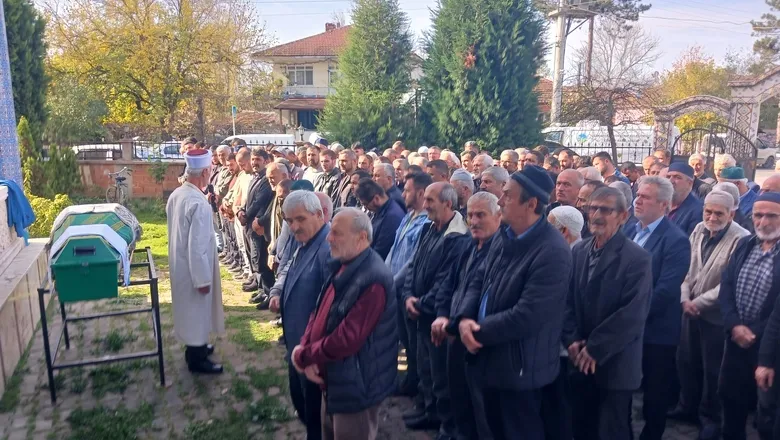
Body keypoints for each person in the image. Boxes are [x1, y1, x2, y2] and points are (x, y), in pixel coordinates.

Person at [452, 165, 570, 440]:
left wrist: (475, 330)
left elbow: (528, 314)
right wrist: (465, 317)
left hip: (521, 369)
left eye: (507, 195)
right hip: (489, 357)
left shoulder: (552, 250)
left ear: (531, 203)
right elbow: (479, 279)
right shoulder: (504, 234)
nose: (500, 201)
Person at [291, 208, 396, 440]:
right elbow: (319, 310)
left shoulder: (373, 279)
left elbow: (347, 339)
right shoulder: (343, 264)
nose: (329, 238)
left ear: (361, 237)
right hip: (334, 379)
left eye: (337, 233)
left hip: (356, 387)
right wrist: (306, 345)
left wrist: (305, 356)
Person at [564, 187, 653, 440]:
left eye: (605, 210)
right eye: (592, 208)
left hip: (615, 364)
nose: (596, 215)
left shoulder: (637, 258)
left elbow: (632, 314)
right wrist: (571, 339)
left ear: (623, 216)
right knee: (581, 428)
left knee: (612, 430)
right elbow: (567, 301)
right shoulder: (579, 251)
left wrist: (594, 348)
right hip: (579, 360)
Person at [669, 190, 749, 439]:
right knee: (686, 361)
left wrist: (698, 303)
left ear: (731, 214)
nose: (712, 218)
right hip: (689, 309)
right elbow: (687, 267)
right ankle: (687, 407)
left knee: (713, 369)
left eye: (719, 213)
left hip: (715, 316)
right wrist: (684, 297)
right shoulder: (698, 229)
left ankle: (710, 418)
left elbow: (730, 282)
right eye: (708, 211)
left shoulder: (741, 238)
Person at [401, 182, 470, 437]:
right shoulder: (428, 228)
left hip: (437, 315)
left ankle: (446, 425)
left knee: (441, 375)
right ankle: (429, 412)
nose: (425, 205)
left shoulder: (458, 238)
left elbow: (445, 280)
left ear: (448, 204)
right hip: (420, 311)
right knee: (425, 368)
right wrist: (408, 295)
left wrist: (420, 303)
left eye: (430, 200)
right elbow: (413, 265)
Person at [629, 176, 691, 440]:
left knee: (655, 392)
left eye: (645, 197)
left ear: (664, 204)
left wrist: (631, 315)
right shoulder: (630, 230)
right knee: (625, 385)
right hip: (627, 326)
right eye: (637, 195)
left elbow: (666, 290)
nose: (637, 200)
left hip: (656, 330)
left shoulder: (675, 239)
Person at [719, 192, 780, 439]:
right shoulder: (746, 244)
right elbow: (726, 285)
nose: (763, 222)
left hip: (768, 346)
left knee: (767, 411)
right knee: (730, 398)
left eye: (771, 216)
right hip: (736, 340)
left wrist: (753, 331)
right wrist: (734, 325)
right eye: (758, 215)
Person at [270, 191, 331, 440]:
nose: (294, 227)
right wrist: (277, 291)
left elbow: (329, 308)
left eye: (300, 219)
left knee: (316, 415)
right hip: (297, 344)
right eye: (289, 220)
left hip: (314, 351)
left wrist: (315, 352)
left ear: (319, 215)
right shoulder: (305, 241)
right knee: (304, 404)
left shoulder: (328, 248)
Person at [444, 192, 502, 440]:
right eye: (470, 215)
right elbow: (450, 283)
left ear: (498, 217)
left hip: (478, 337)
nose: (474, 221)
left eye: (481, 215)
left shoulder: (500, 250)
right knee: (458, 395)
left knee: (480, 407)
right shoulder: (468, 244)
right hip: (455, 330)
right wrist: (443, 316)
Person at [167, 148, 226, 374]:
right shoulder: (197, 203)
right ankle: (196, 358)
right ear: (204, 173)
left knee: (190, 310)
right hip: (194, 267)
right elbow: (198, 246)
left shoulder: (178, 194)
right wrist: (202, 279)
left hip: (181, 263)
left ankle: (197, 346)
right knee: (196, 310)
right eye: (210, 170)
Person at [386, 172, 432, 398]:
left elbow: (413, 260)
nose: (402, 193)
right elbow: (394, 249)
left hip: (407, 290)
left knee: (414, 343)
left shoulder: (426, 223)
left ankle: (417, 386)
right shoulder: (408, 217)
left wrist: (393, 282)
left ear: (421, 193)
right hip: (393, 288)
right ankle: (410, 382)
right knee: (404, 338)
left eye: (407, 190)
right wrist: (385, 276)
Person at [241, 148, 275, 299]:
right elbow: (249, 200)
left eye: (258, 160)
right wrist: (241, 211)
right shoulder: (254, 177)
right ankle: (261, 288)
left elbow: (260, 201)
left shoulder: (266, 180)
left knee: (261, 258)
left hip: (259, 225)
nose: (254, 163)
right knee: (254, 257)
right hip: (250, 223)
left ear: (266, 161)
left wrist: (247, 215)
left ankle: (267, 292)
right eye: (253, 159)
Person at [355, 178, 405, 260]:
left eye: (366, 204)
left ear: (376, 199)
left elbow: (379, 252)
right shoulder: (381, 209)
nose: (366, 208)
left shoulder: (392, 218)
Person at [667, 162, 704, 236]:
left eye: (677, 177)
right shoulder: (659, 204)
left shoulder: (698, 210)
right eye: (668, 177)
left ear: (690, 183)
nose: (670, 181)